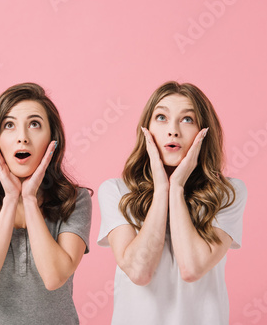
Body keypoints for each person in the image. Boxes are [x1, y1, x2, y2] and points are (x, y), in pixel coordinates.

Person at [97, 81, 247, 324]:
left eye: (187, 119)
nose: (173, 130)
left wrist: (175, 188)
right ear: (147, 129)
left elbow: (192, 268)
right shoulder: (116, 190)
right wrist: (161, 189)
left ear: (204, 131)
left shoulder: (228, 193)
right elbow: (139, 271)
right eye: (161, 118)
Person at [0, 83, 92, 324]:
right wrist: (10, 201)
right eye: (9, 125)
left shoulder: (75, 200)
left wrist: (28, 199)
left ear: (52, 139)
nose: (22, 137)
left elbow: (54, 277)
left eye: (35, 124)